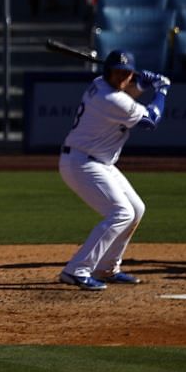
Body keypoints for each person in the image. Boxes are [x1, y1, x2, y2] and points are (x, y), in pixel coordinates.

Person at [56, 49, 167, 290]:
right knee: (121, 212)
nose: (121, 78)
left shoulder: (101, 85)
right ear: (107, 72)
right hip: (82, 163)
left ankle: (106, 268)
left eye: (125, 73)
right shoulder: (110, 99)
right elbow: (150, 121)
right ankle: (77, 270)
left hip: (99, 162)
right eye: (117, 73)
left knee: (136, 209)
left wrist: (142, 83)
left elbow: (128, 96)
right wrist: (162, 90)